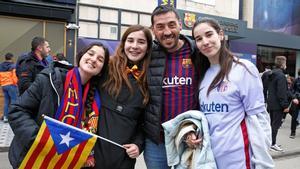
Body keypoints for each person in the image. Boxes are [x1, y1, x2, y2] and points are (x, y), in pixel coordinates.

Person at [8, 42, 110, 169]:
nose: (94, 59)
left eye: (100, 59)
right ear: (81, 56)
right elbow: (17, 110)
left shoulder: (99, 96)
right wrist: (38, 139)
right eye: (91, 54)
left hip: (69, 162)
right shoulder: (49, 79)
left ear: (101, 70)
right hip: (36, 157)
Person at [192, 17, 274, 169]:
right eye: (199, 39)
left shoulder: (244, 69)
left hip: (239, 158)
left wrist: (262, 161)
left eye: (209, 34)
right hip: (210, 159)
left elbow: (259, 118)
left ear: (221, 35)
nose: (205, 41)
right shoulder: (203, 75)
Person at [144, 5, 200, 169]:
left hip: (190, 138)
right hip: (157, 142)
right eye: (160, 27)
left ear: (180, 25)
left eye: (171, 24)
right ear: (153, 30)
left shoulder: (197, 52)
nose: (167, 31)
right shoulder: (147, 55)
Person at [95, 25, 152, 169]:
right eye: (130, 40)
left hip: (123, 155)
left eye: (141, 42)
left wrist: (138, 145)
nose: (134, 46)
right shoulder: (107, 67)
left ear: (148, 46)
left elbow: (145, 121)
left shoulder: (151, 78)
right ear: (123, 43)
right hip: (94, 150)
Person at [266, 55, 290, 152]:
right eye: (285, 63)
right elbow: (281, 92)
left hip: (270, 103)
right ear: (283, 64)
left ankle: (271, 142)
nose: (286, 65)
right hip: (277, 105)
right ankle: (272, 144)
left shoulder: (270, 74)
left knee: (271, 124)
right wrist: (285, 105)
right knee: (275, 125)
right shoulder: (281, 76)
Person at [0, 53, 18, 122]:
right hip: (11, 85)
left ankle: (5, 117)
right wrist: (16, 84)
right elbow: (14, 76)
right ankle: (14, 117)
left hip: (4, 85)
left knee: (6, 102)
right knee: (14, 101)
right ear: (12, 58)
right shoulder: (13, 66)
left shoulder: (1, 66)